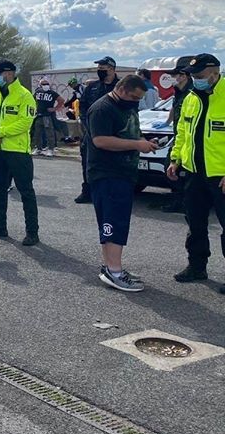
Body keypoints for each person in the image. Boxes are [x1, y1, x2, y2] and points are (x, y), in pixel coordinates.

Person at [87, 75, 157, 291]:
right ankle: (114, 271)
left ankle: (111, 266)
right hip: (108, 174)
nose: (137, 102)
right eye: (135, 97)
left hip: (123, 173)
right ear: (123, 90)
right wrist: (136, 144)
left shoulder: (127, 106)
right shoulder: (102, 109)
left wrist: (144, 141)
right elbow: (101, 140)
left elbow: (130, 130)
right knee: (113, 222)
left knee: (115, 220)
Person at [167, 54, 225, 293]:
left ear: (215, 71)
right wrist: (175, 159)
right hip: (194, 173)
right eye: (193, 76)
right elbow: (183, 132)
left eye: (199, 76)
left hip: (220, 175)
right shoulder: (191, 98)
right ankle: (197, 266)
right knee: (195, 222)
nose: (196, 81)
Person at [0, 60, 39, 245]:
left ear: (10, 73)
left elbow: (25, 122)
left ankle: (32, 232)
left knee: (25, 191)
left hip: (17, 151)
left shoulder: (24, 95)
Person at [76, 57, 119, 203]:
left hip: (113, 134)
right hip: (91, 134)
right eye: (98, 67)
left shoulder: (120, 87)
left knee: (112, 164)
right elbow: (82, 106)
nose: (100, 70)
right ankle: (87, 191)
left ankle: (110, 192)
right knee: (88, 163)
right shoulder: (93, 87)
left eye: (103, 67)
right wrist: (86, 125)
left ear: (112, 69)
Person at [161, 56, 194, 213]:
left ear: (183, 75)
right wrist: (166, 122)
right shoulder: (179, 92)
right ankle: (179, 200)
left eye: (174, 75)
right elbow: (174, 108)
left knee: (187, 173)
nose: (172, 78)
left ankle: (186, 202)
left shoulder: (193, 92)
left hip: (191, 139)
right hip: (179, 137)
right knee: (170, 168)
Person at [32, 78, 65, 156]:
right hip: (38, 115)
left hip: (47, 116)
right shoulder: (37, 92)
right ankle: (38, 148)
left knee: (49, 133)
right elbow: (32, 100)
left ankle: (51, 149)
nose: (45, 85)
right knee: (37, 133)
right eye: (43, 84)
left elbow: (61, 100)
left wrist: (54, 109)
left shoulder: (52, 93)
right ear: (40, 85)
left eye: (47, 84)